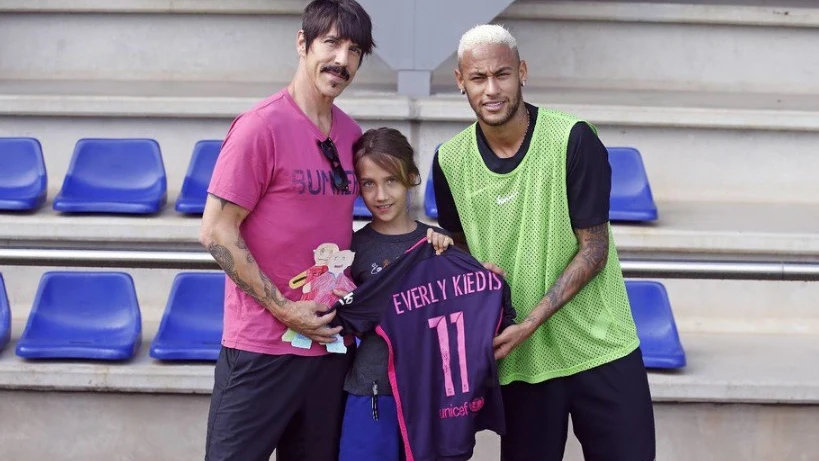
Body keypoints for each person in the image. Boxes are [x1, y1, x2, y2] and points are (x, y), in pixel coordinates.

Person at [432, 24, 656, 461]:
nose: (491, 89)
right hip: (521, 360)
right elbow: (460, 254)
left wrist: (530, 321)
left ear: (523, 72)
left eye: (503, 74)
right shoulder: (449, 160)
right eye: (478, 78)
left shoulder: (573, 138)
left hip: (599, 346)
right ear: (461, 81)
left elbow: (594, 249)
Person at [197, 1, 374, 460]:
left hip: (326, 348)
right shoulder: (260, 127)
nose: (342, 60)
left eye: (354, 50)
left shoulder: (352, 135)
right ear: (302, 43)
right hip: (260, 350)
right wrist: (285, 309)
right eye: (331, 43)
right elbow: (217, 232)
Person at [337, 127, 455, 461]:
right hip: (370, 392)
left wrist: (455, 262)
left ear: (412, 178)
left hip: (428, 394)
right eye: (368, 183)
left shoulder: (439, 244)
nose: (380, 195)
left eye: (391, 180)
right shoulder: (354, 248)